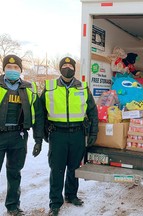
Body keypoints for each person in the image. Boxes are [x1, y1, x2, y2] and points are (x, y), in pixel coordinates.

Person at [40, 57, 98, 216]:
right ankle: (55, 203)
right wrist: (43, 134)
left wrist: (93, 132)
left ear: (74, 68)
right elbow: (41, 113)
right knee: (57, 169)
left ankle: (71, 195)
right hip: (57, 134)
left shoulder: (83, 87)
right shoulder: (49, 87)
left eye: (70, 65)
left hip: (78, 134)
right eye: (64, 65)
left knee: (74, 168)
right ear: (60, 68)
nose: (67, 68)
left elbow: (92, 112)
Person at [0, 55, 44, 216]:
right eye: (9, 67)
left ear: (20, 70)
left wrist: (38, 140)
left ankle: (13, 206)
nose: (12, 70)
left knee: (14, 173)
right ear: (4, 69)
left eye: (16, 68)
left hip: (18, 137)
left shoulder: (29, 89)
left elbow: (38, 116)